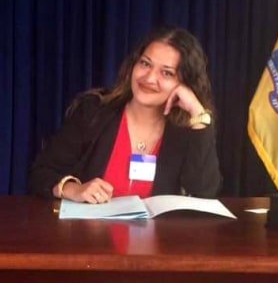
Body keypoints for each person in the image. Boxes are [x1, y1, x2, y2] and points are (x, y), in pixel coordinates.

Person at [28, 26, 222, 203]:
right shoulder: (94, 112)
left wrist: (198, 114)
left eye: (167, 73)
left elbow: (203, 195)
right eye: (145, 64)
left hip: (158, 241)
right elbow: (41, 174)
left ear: (185, 84)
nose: (149, 78)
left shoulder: (187, 131)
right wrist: (73, 189)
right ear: (133, 66)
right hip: (89, 238)